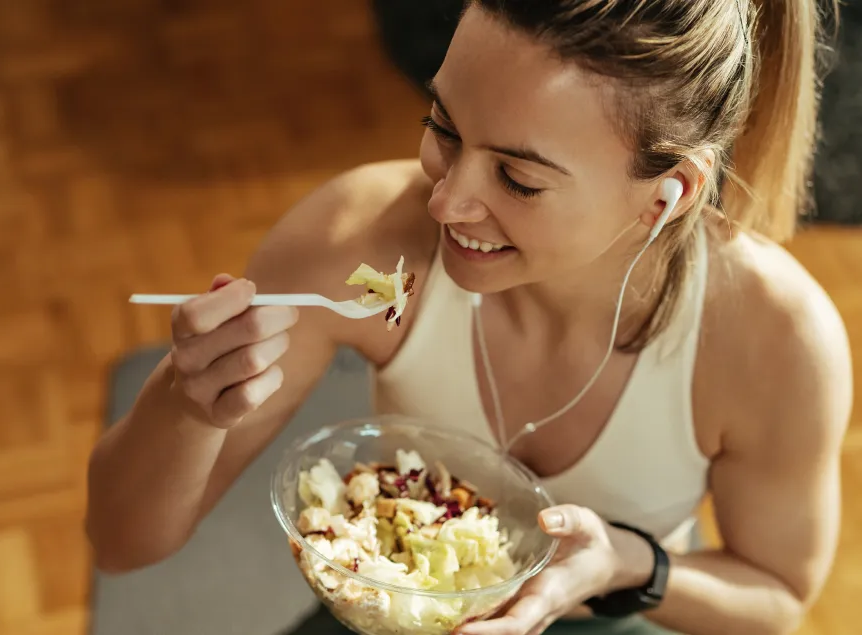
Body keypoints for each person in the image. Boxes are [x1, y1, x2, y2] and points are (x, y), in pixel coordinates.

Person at [85, 1, 851, 634]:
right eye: (444, 127)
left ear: (668, 193)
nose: (445, 201)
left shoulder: (774, 340)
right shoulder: (355, 239)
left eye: (517, 178)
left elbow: (776, 595)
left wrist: (625, 561)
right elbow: (121, 542)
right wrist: (187, 407)